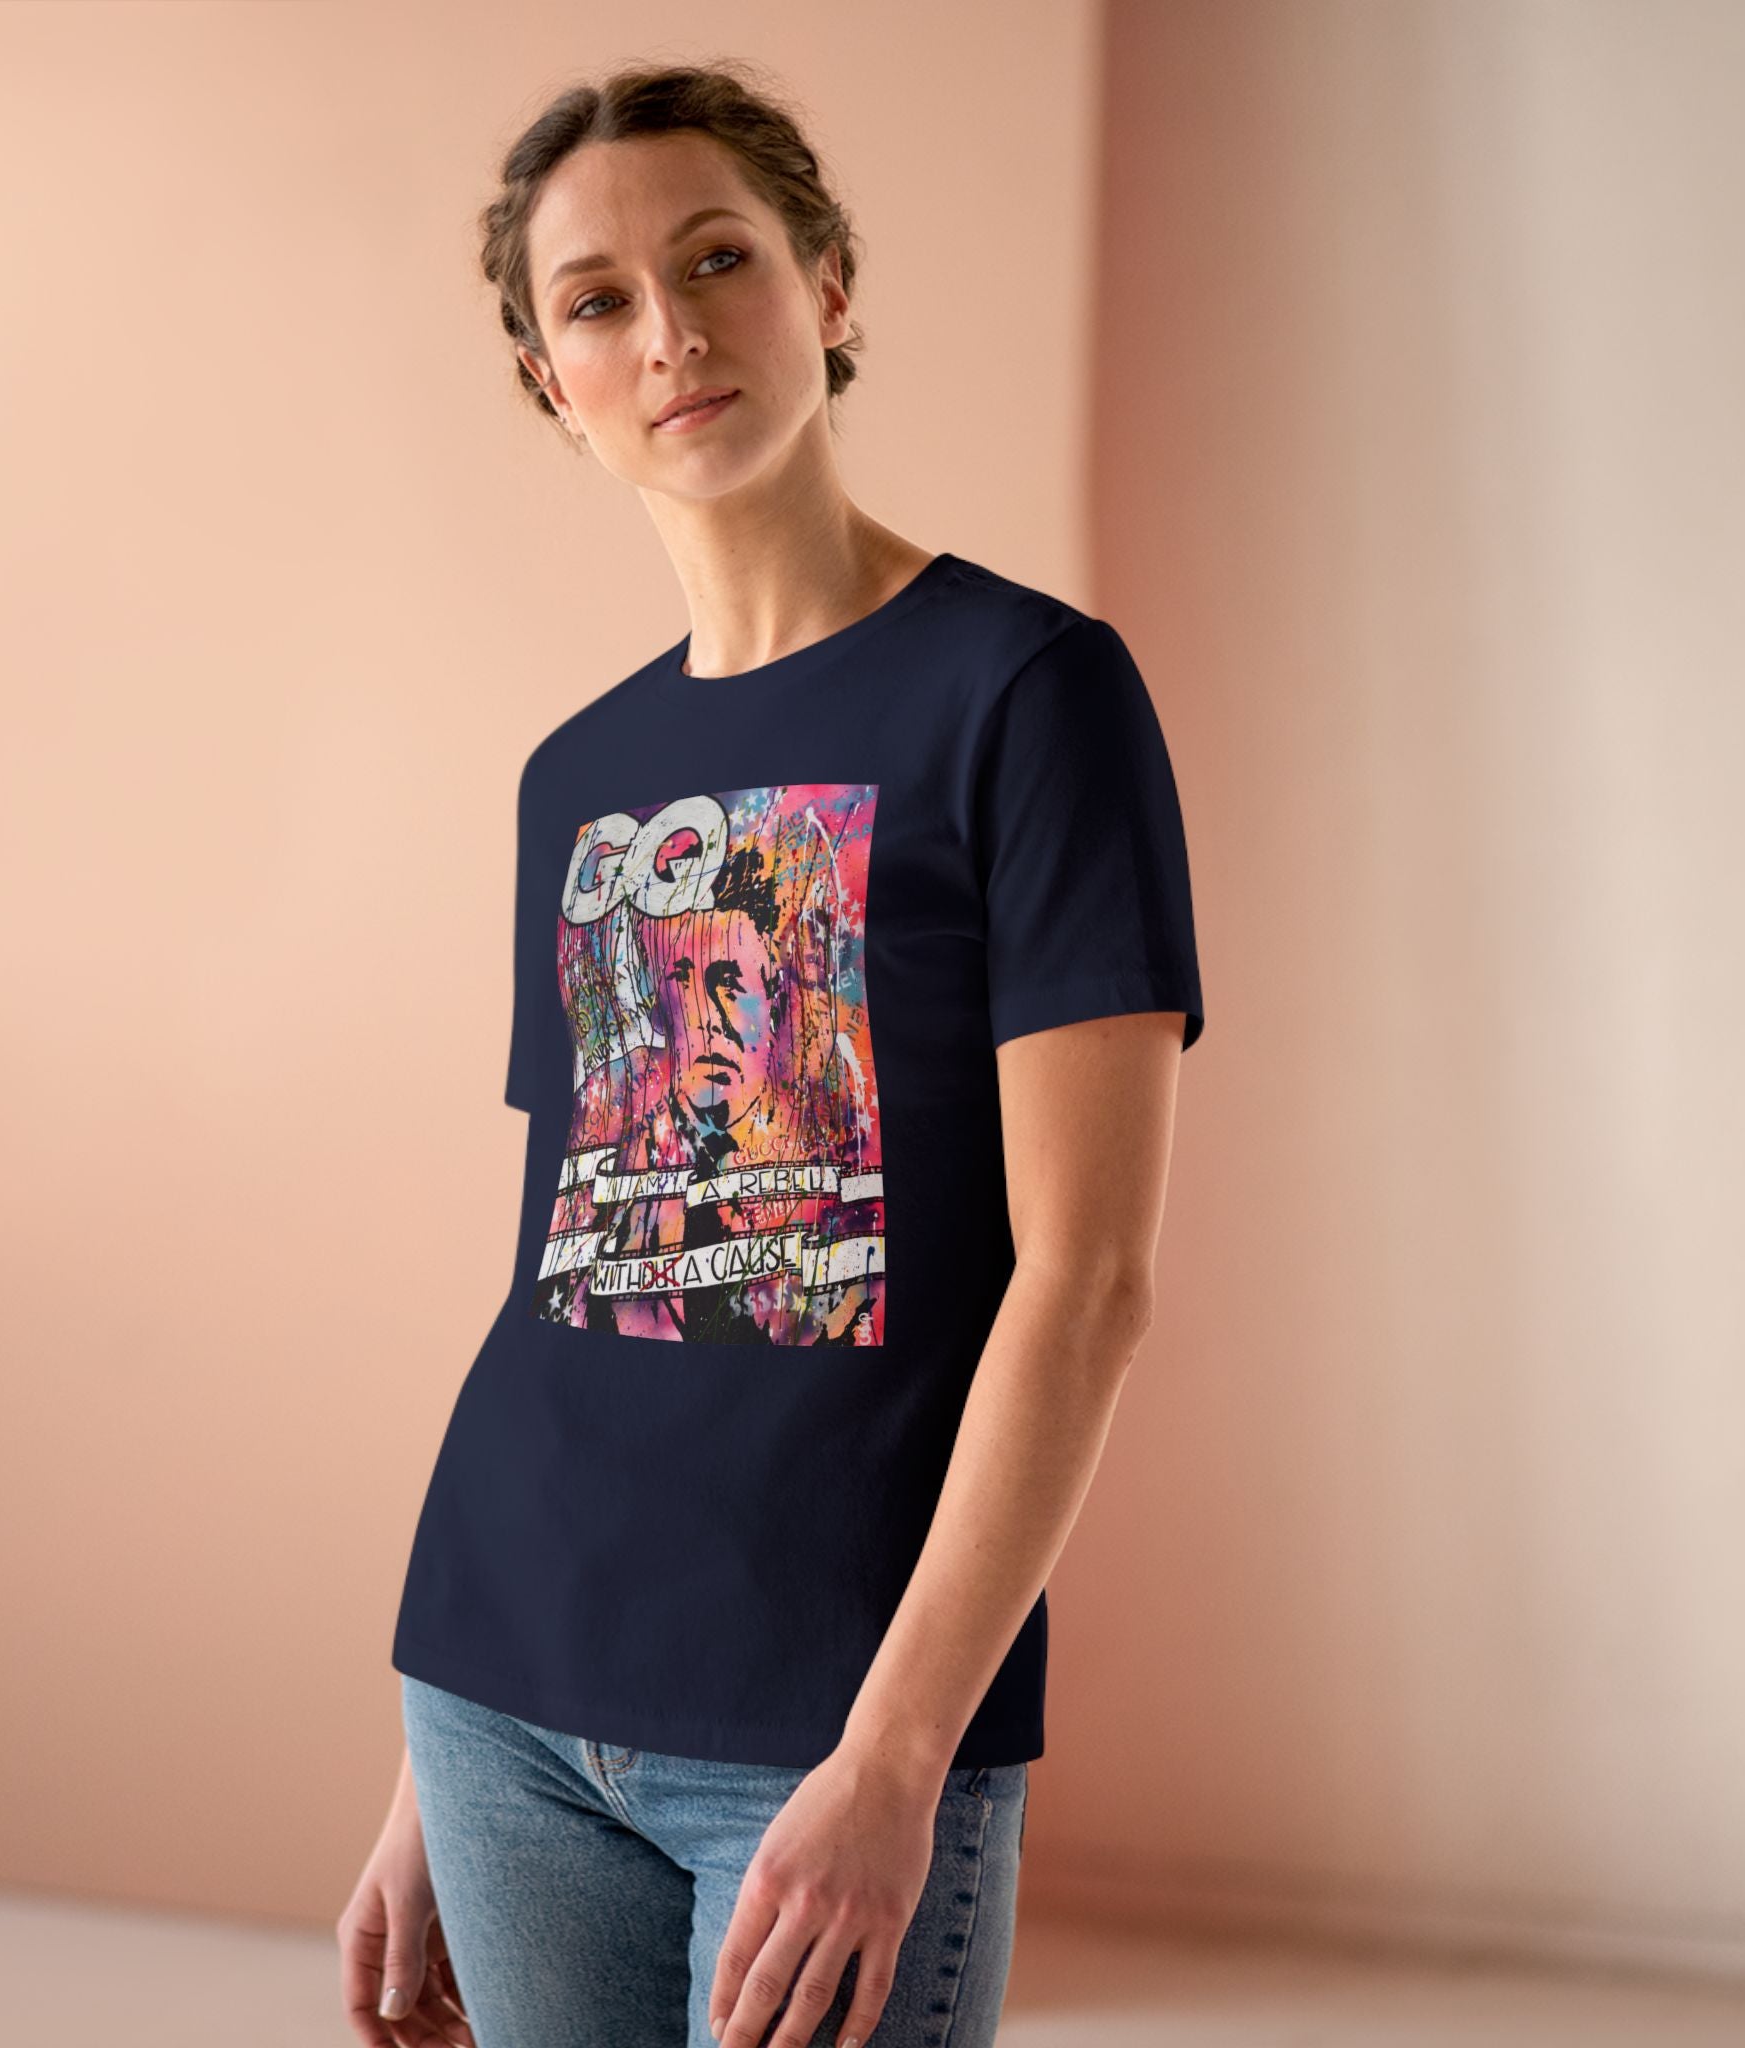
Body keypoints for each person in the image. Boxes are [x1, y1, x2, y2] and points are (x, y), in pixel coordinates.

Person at [336, 58, 1205, 2048]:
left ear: (825, 283)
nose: (671, 331)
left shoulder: (1029, 695)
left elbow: (1087, 1282)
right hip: (502, 1690)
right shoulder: (579, 774)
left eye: (717, 258)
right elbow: (578, 1257)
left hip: (830, 1721)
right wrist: (424, 1771)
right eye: (598, 300)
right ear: (551, 379)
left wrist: (900, 1759)